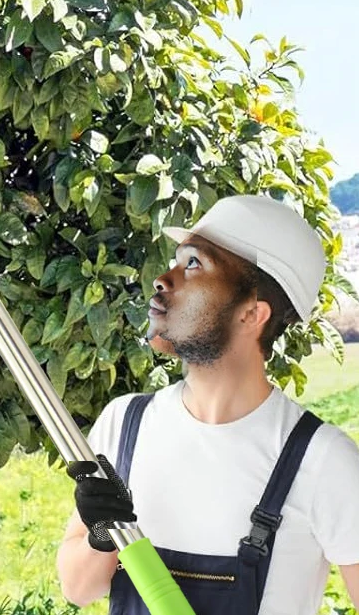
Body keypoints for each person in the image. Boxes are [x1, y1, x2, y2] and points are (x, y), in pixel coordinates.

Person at [55, 194, 359, 614]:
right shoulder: (125, 423)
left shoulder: (323, 460)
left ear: (252, 314)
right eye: (176, 260)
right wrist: (101, 535)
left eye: (194, 264)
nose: (163, 278)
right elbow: (78, 588)